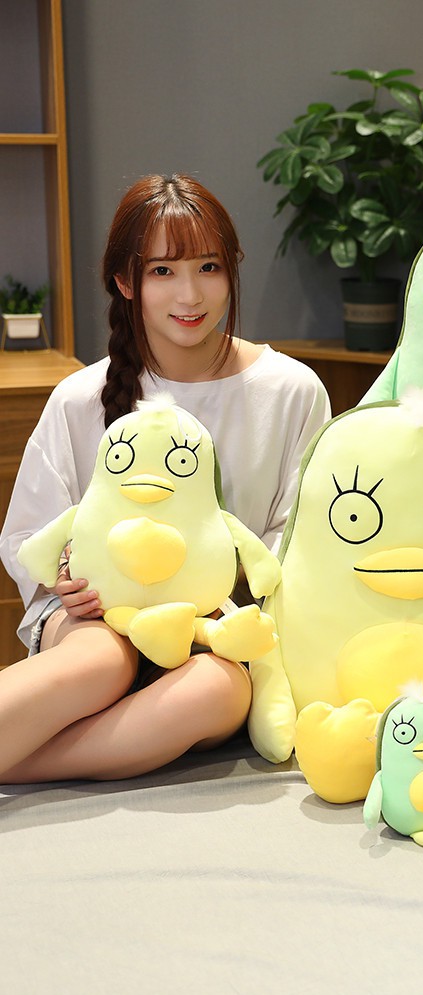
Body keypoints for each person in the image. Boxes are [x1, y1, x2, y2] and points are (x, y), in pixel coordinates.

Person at [0, 174, 331, 782]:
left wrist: (222, 593)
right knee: (101, 663)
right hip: (98, 621)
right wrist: (66, 576)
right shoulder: (79, 398)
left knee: (215, 691)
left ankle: (21, 766)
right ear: (126, 282)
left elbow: (301, 534)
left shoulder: (291, 390)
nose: (190, 293)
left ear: (231, 270)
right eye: (162, 271)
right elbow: (27, 534)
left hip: (219, 627)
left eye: (208, 267)